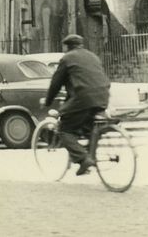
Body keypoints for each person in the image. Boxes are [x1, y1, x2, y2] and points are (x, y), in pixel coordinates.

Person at [41, 34, 111, 175]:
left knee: (64, 130)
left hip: (83, 98)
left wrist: (47, 101)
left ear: (67, 46)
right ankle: (90, 155)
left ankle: (84, 159)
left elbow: (56, 83)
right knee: (90, 127)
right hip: (103, 97)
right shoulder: (93, 56)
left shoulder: (67, 58)